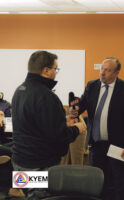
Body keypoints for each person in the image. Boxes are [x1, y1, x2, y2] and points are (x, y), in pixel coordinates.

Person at [11, 50, 86, 199]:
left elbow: (33, 122)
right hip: (39, 165)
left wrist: (61, 121)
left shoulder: (20, 90)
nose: (56, 73)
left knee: (27, 194)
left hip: (19, 161)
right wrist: (77, 129)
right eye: (55, 69)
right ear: (46, 70)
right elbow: (59, 137)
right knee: (40, 197)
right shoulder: (46, 96)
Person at [72, 57, 124, 200]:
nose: (102, 73)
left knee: (119, 181)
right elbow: (81, 106)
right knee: (98, 180)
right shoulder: (92, 85)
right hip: (96, 143)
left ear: (116, 73)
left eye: (107, 70)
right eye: (101, 68)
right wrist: (74, 109)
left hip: (117, 144)